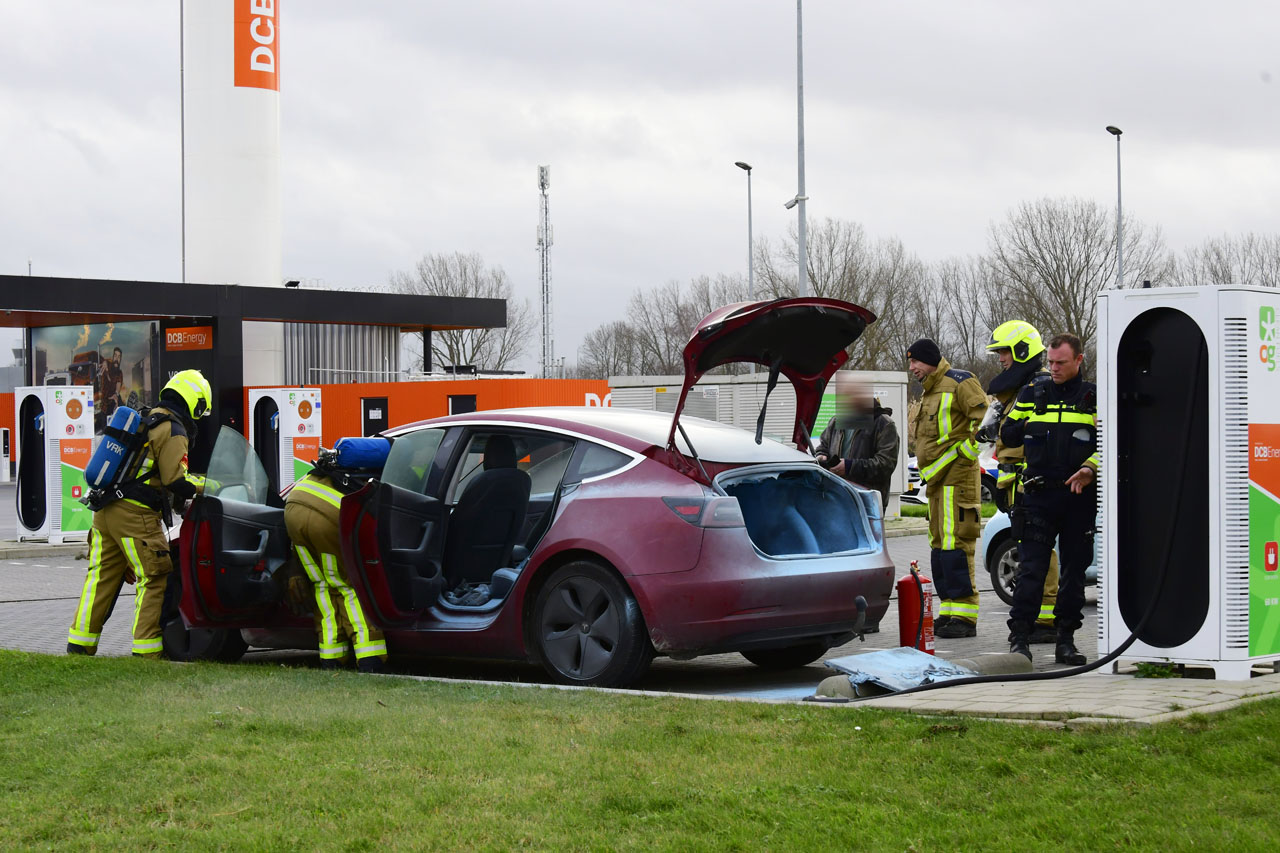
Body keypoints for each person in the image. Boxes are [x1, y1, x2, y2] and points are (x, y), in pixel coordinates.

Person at [67, 369, 212, 657]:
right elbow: (176, 480)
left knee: (100, 576)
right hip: (135, 515)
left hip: (105, 510)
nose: (197, 417)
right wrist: (208, 485)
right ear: (193, 402)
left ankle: (79, 645)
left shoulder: (147, 418)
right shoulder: (173, 429)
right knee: (154, 576)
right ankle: (147, 652)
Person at [1000, 333, 1098, 665]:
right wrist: (1023, 423)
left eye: (1061, 363)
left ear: (1079, 360)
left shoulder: (1094, 397)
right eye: (1051, 362)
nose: (1053, 369)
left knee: (1074, 574)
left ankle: (1066, 641)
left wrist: (1090, 468)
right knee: (1031, 572)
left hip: (1078, 498)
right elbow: (1008, 432)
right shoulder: (1033, 393)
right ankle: (1020, 640)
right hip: (1038, 496)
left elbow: (1114, 443)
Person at [978, 320, 1060, 644]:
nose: (1001, 359)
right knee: (1029, 550)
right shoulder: (1021, 389)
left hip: (1034, 484)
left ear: (1023, 351)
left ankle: (1047, 618)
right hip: (1018, 486)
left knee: (1042, 550)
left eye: (1004, 353)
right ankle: (1041, 614)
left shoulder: (1039, 389)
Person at [907, 339, 987, 638]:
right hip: (937, 481)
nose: (912, 368)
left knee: (957, 545)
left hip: (958, 480)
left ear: (930, 360)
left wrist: (964, 453)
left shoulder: (961, 382)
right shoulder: (930, 390)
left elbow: (987, 424)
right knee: (939, 545)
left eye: (916, 362)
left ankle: (965, 618)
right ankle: (950, 611)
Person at [285, 469, 388, 672]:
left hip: (293, 508)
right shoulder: (384, 465)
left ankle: (331, 659)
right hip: (328, 516)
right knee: (347, 586)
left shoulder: (332, 467)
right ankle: (370, 658)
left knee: (321, 585)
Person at [814, 371, 900, 508]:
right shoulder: (836, 421)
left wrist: (849, 467)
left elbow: (886, 465)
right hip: (837, 497)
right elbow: (823, 445)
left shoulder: (884, 424)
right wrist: (821, 456)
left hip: (867, 502)